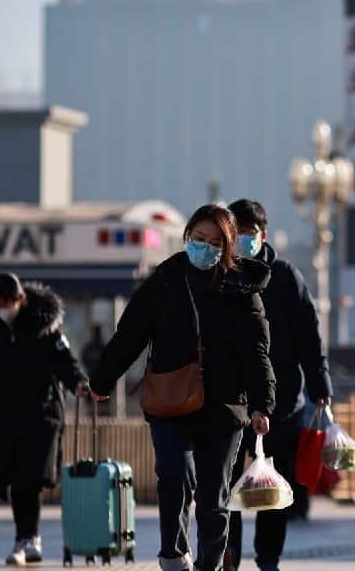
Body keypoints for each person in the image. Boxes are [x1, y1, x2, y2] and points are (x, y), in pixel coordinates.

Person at [88, 205, 275, 571]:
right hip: (170, 401)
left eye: (215, 242)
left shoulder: (243, 288)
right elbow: (131, 334)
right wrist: (102, 379)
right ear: (187, 236)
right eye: (198, 239)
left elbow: (257, 353)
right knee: (174, 474)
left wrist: (261, 405)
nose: (204, 247)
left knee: (213, 497)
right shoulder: (166, 279)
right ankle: (173, 554)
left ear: (229, 245)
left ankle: (209, 563)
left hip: (224, 409)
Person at [0, 273, 89, 565]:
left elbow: (65, 360)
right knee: (11, 478)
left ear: (21, 299)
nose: (4, 308)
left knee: (29, 479)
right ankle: (25, 537)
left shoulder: (45, 325)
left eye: (9, 302)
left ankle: (27, 539)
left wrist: (78, 383)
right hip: (7, 414)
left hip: (42, 413)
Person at [225, 199, 333, 571]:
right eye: (236, 233)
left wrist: (321, 387)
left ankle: (268, 559)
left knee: (272, 490)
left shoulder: (286, 277)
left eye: (249, 234)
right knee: (227, 486)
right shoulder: (220, 277)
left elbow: (309, 338)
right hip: (231, 404)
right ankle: (229, 552)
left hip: (282, 405)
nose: (242, 240)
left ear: (263, 235)